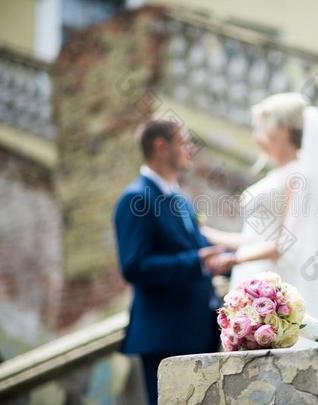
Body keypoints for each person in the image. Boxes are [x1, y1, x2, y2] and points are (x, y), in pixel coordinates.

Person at [113, 119, 231, 405]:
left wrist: (225, 259)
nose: (190, 149)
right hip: (164, 334)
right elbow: (134, 266)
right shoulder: (135, 199)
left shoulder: (180, 199)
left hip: (199, 330)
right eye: (183, 142)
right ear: (160, 146)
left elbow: (200, 248)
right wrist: (195, 261)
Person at [202, 92, 318, 324]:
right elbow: (254, 237)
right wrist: (208, 234)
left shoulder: (298, 176)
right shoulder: (279, 175)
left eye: (261, 129)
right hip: (251, 274)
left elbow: (284, 244)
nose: (256, 138)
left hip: (272, 283)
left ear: (283, 131)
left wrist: (235, 260)